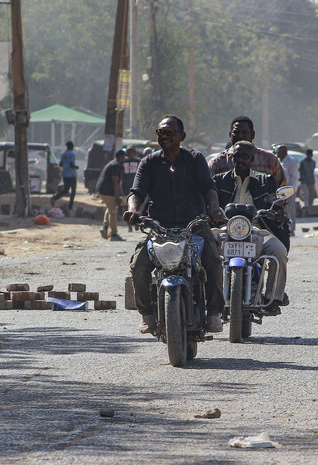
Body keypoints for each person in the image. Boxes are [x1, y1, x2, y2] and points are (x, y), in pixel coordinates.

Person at [123, 115, 224, 334]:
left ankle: (215, 312)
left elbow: (209, 187)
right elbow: (136, 192)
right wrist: (132, 209)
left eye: (170, 132)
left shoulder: (195, 159)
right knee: (138, 267)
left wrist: (214, 208)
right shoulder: (149, 162)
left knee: (214, 261)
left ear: (182, 136)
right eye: (161, 132)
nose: (165, 137)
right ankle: (147, 315)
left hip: (194, 225)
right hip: (158, 228)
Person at [214, 141, 289, 316]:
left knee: (278, 251)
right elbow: (210, 203)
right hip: (225, 229)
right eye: (236, 156)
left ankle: (273, 298)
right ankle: (206, 297)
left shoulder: (266, 180)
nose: (239, 160)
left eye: (244, 156)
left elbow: (274, 205)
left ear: (252, 158)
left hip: (256, 229)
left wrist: (277, 213)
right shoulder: (219, 180)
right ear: (231, 158)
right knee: (201, 250)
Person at [207, 116, 286, 187]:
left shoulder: (270, 160)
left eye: (244, 132)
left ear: (253, 134)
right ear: (230, 135)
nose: (240, 136)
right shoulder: (218, 163)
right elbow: (209, 190)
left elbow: (282, 190)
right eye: (236, 132)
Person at [95, 149, 125, 241]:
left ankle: (104, 228)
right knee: (113, 211)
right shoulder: (115, 165)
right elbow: (115, 182)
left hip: (103, 190)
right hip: (106, 191)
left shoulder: (114, 164)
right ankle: (114, 234)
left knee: (110, 208)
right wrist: (117, 197)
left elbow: (118, 183)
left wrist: (120, 195)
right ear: (121, 157)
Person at [275, 145, 298, 235]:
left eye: (279, 152)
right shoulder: (279, 161)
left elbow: (294, 177)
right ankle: (284, 228)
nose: (277, 154)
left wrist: (290, 190)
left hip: (289, 190)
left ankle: (291, 229)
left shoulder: (291, 161)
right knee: (283, 210)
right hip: (281, 190)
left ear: (284, 152)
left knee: (290, 210)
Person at [50, 141, 79, 209]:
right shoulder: (72, 154)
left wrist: (66, 164)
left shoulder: (63, 154)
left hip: (65, 174)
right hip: (72, 174)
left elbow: (60, 164)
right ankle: (70, 205)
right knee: (73, 190)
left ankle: (54, 198)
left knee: (65, 190)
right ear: (71, 146)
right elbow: (71, 164)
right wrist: (76, 167)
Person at [121, 146, 141, 232]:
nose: (130, 154)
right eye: (129, 152)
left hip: (135, 186)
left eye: (132, 152)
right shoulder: (124, 162)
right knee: (128, 206)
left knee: (136, 204)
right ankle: (129, 224)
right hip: (126, 186)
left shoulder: (138, 161)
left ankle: (136, 223)